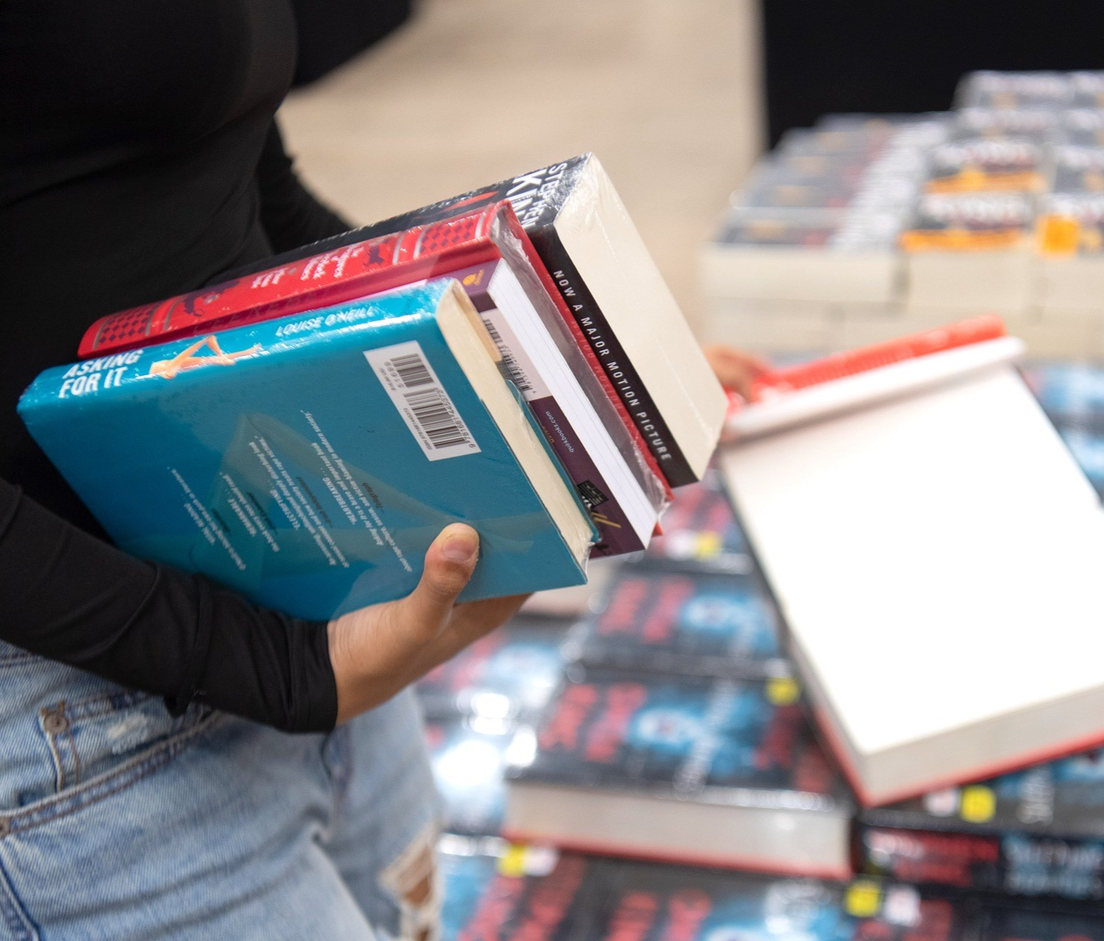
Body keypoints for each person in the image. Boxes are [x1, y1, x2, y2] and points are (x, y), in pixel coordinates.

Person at [0, 4, 770, 937]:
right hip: (80, 686)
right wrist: (270, 665)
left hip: (299, 555)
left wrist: (555, 360)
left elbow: (236, 174)